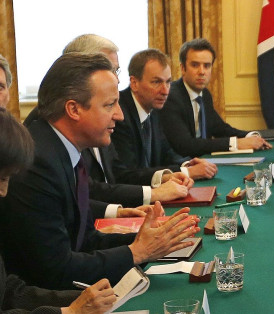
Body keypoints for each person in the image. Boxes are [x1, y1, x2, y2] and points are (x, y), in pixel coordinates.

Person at [0, 53, 199, 290]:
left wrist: (147, 241)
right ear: (74, 109)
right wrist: (136, 252)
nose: (120, 114)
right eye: (109, 105)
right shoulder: (38, 161)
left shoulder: (64, 147)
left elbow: (84, 239)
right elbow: (55, 269)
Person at [0, 108, 117, 313]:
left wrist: (78, 299)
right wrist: (68, 312)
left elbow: (9, 293)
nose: (4, 191)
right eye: (1, 178)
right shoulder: (45, 158)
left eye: (8, 179)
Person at [111, 49, 218, 185]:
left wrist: (187, 164)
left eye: (168, 82)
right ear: (134, 83)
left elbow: (166, 152)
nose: (165, 91)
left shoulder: (153, 107)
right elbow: (128, 175)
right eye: (156, 82)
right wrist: (186, 173)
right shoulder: (119, 114)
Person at [159, 38, 271, 157]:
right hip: (180, 167)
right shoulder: (171, 97)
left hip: (204, 163)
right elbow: (186, 145)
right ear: (182, 68)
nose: (202, 72)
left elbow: (220, 129)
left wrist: (251, 137)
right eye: (195, 65)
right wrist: (236, 143)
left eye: (207, 66)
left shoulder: (205, 95)